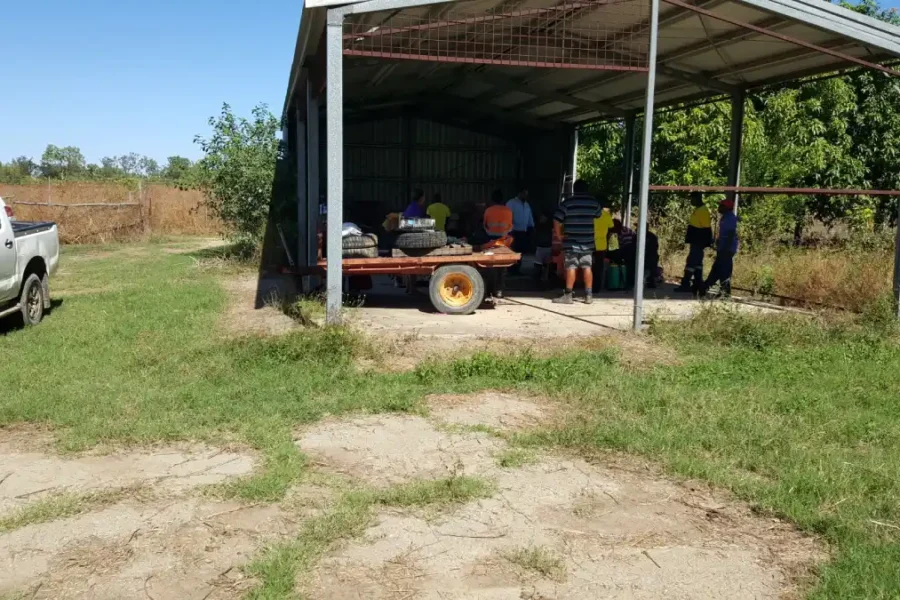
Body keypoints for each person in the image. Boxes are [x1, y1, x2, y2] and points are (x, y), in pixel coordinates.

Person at [552, 179, 603, 305]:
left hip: (571, 241)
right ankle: (588, 295)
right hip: (588, 241)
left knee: (571, 266)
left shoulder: (567, 203)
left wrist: (559, 235)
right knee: (587, 267)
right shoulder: (593, 203)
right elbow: (598, 215)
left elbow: (556, 219)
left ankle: (568, 295)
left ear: (574, 190)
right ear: (587, 189)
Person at [675, 192, 713, 293]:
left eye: (692, 199)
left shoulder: (703, 211)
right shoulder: (698, 210)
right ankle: (698, 284)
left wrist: (704, 242)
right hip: (696, 241)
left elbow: (706, 228)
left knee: (691, 262)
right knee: (697, 264)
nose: (691, 201)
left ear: (698, 198)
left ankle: (686, 284)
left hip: (698, 241)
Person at [700, 199, 739, 296]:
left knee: (723, 270)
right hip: (724, 247)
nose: (719, 207)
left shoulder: (730, 218)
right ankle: (706, 287)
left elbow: (730, 233)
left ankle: (724, 292)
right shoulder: (725, 217)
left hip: (727, 248)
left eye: (721, 206)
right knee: (718, 268)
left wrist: (726, 247)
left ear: (726, 207)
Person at [482, 192, 514, 299]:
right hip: (504, 241)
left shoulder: (488, 210)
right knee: (502, 266)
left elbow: (484, 225)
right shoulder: (508, 210)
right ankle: (499, 290)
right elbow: (511, 225)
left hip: (490, 241)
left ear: (492, 200)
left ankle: (489, 290)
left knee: (490, 266)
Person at [506, 187, 534, 273]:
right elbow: (507, 217)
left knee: (521, 252)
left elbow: (529, 217)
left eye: (527, 194)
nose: (526, 196)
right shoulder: (511, 203)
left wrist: (532, 227)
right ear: (520, 193)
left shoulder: (526, 205)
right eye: (524, 193)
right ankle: (511, 270)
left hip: (523, 232)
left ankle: (518, 269)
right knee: (513, 251)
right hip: (513, 232)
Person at [592, 199, 615, 291]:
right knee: (598, 267)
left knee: (587, 265)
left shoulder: (591, 214)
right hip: (601, 245)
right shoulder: (606, 215)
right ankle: (597, 287)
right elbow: (611, 228)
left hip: (589, 243)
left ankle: (587, 286)